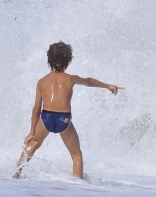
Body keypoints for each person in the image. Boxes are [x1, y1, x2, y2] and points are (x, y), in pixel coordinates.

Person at [12, 41, 123, 179]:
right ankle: (77, 183)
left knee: (33, 143)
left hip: (47, 117)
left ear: (48, 60)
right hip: (64, 119)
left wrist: (31, 132)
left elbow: (36, 109)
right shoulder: (71, 79)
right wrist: (108, 86)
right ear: (68, 62)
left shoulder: (42, 81)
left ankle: (16, 175)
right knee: (76, 155)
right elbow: (88, 81)